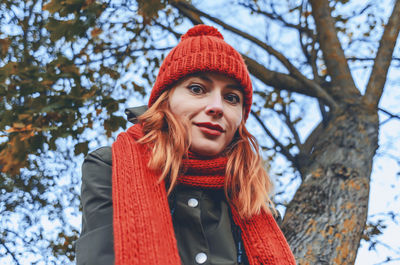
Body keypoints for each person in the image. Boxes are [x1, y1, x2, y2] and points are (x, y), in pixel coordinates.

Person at [75, 24, 296, 265]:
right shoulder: (109, 166)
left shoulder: (257, 207)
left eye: (231, 98)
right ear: (165, 101)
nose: (217, 107)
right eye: (197, 89)